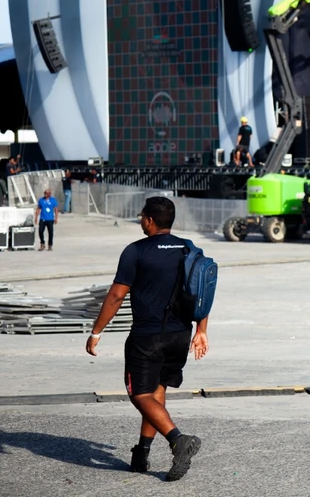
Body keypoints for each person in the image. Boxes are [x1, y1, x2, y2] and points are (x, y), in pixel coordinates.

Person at [87, 196, 207, 480]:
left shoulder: (135, 251)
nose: (141, 220)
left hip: (147, 337)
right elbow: (204, 290)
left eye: (142, 216)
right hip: (180, 334)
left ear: (150, 221)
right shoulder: (189, 249)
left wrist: (96, 332)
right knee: (156, 391)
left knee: (139, 394)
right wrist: (202, 330)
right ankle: (141, 453)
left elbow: (117, 295)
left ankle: (179, 440)